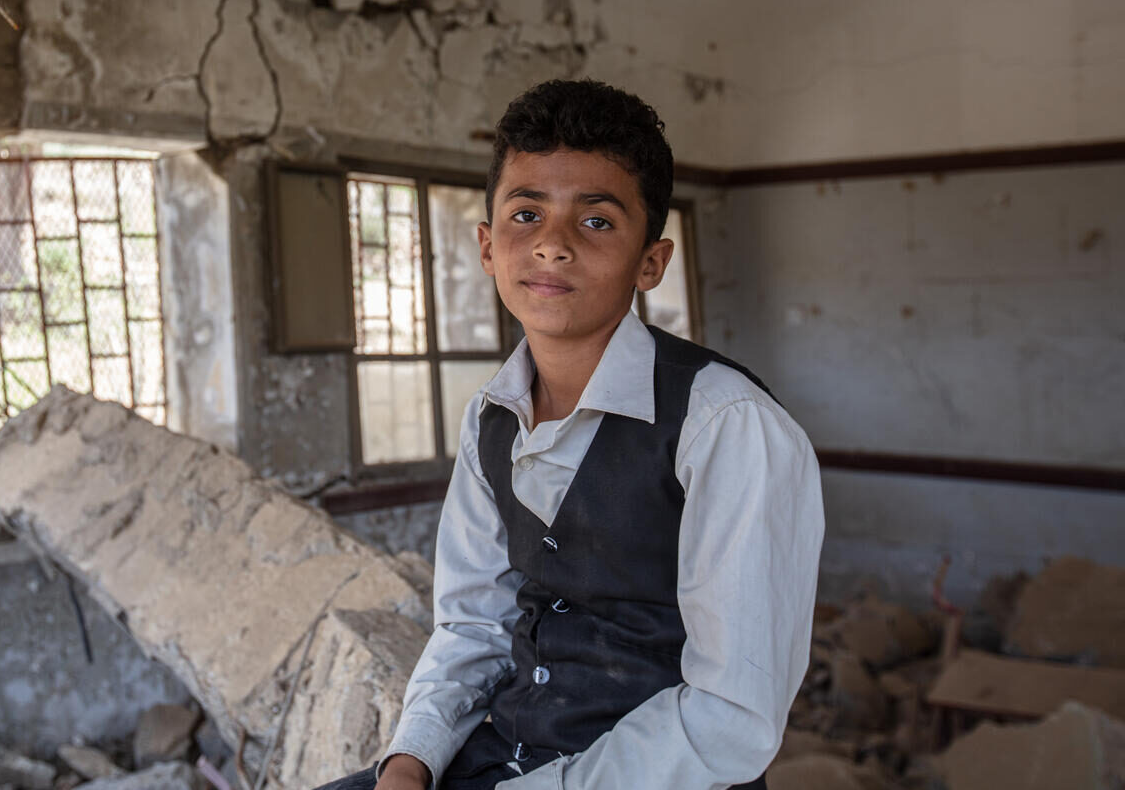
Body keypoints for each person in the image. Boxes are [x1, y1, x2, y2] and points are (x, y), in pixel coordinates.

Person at [315, 79, 824, 790]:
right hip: (501, 759)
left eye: (597, 222)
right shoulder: (490, 418)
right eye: (527, 213)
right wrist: (411, 760)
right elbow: (473, 625)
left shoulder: (726, 425)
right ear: (488, 247)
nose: (552, 246)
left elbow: (731, 714)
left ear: (652, 261)